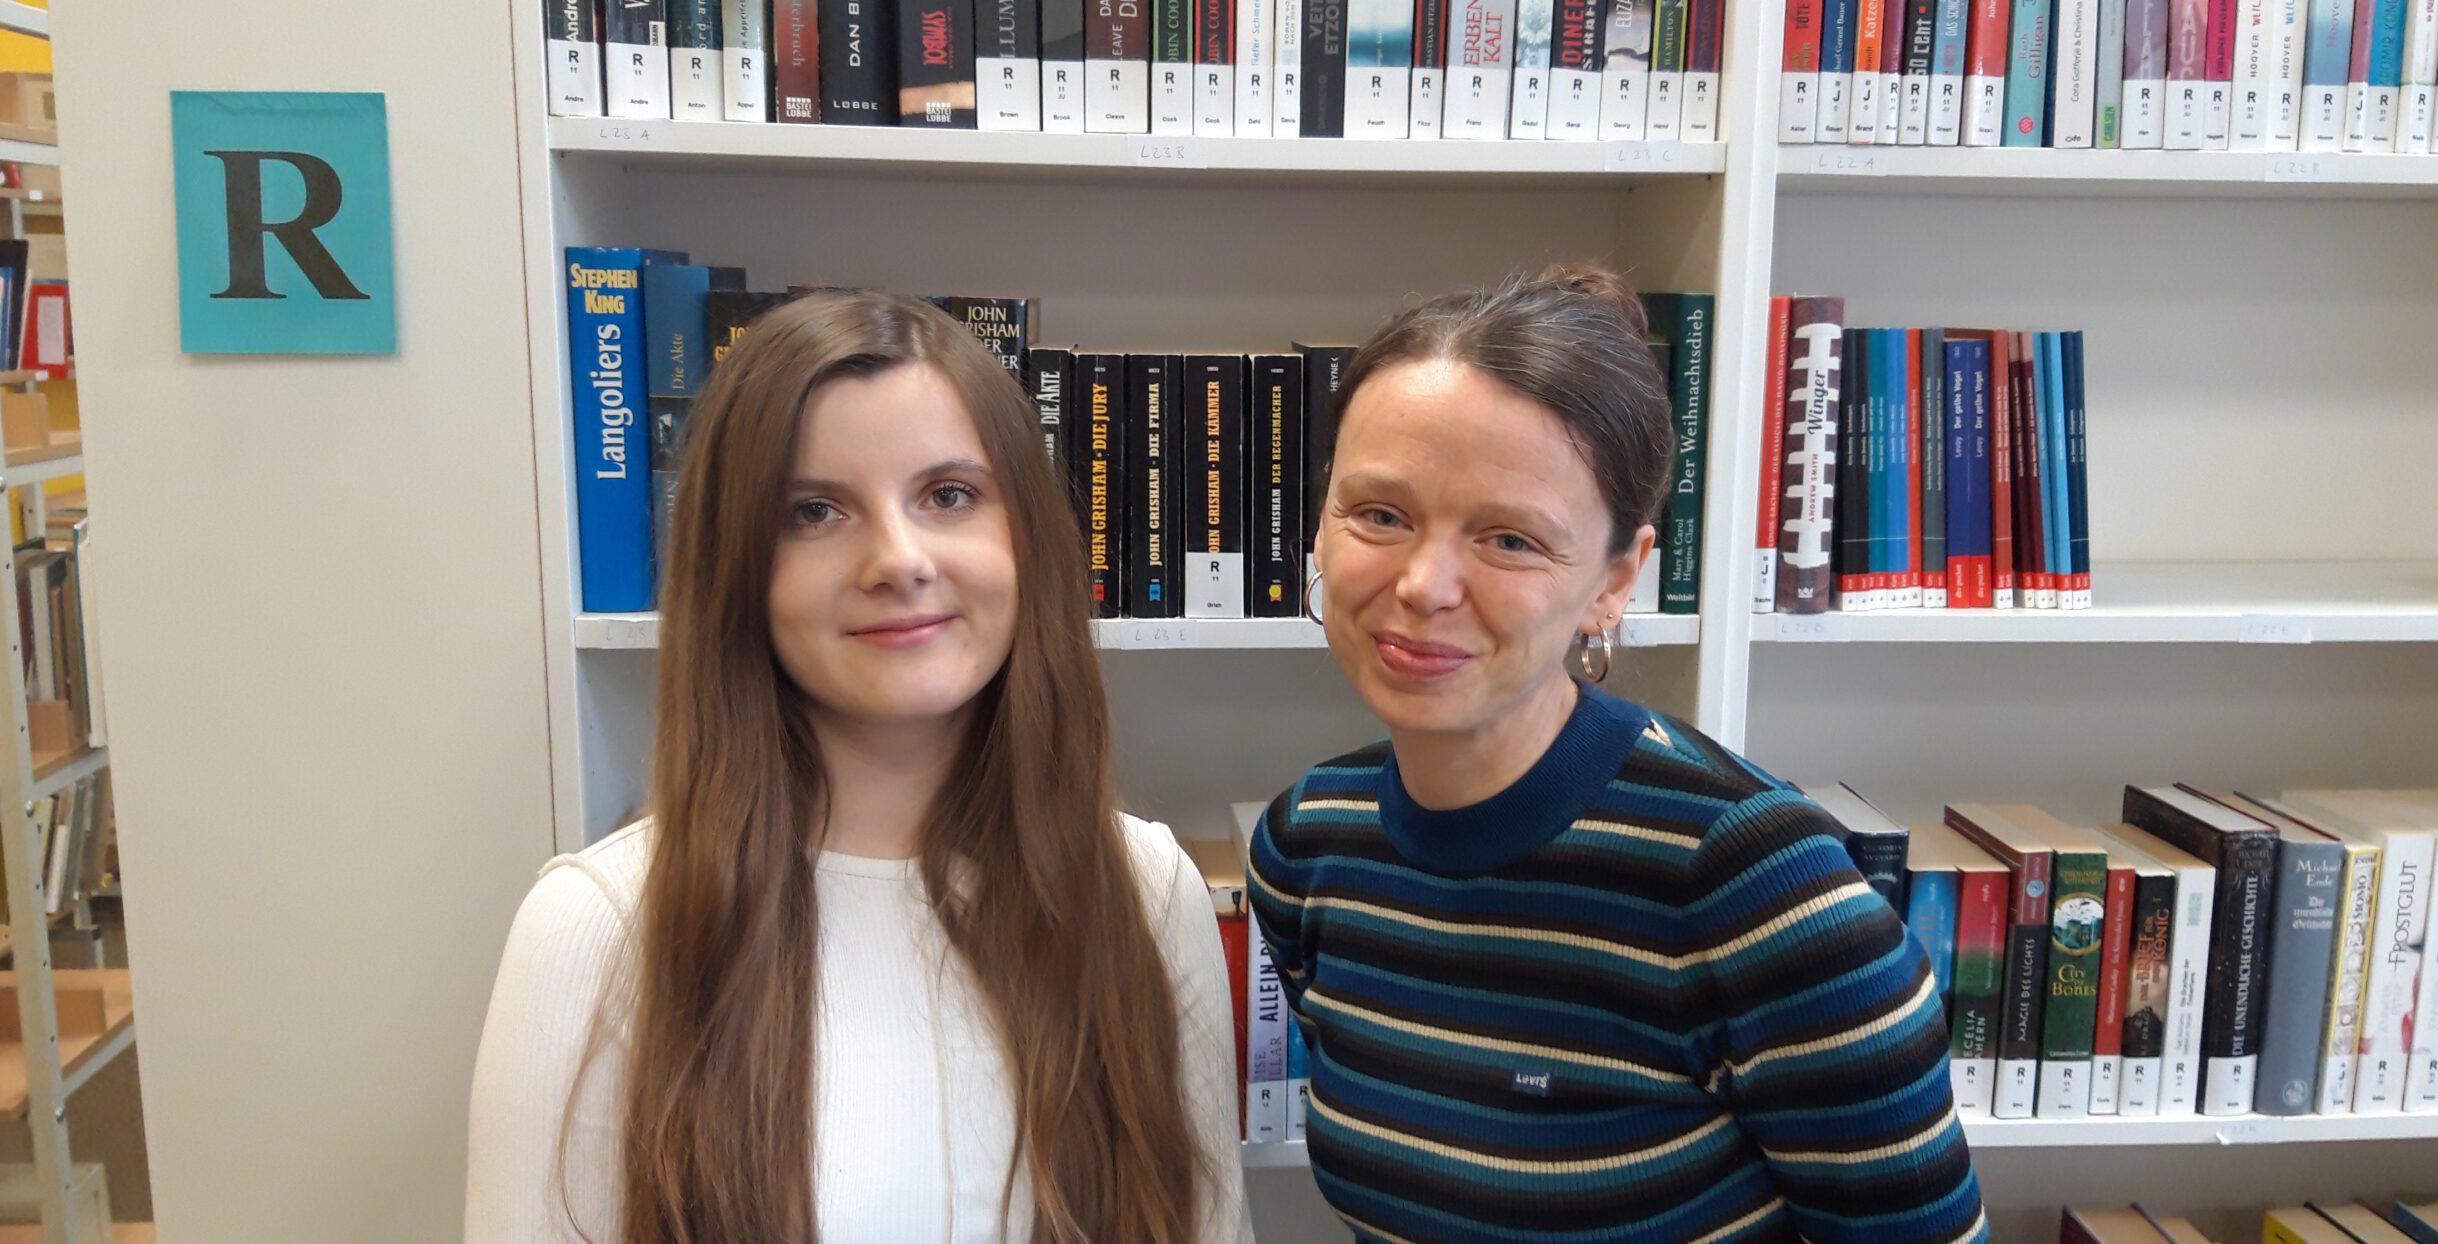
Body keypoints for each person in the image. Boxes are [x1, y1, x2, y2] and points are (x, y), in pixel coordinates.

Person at [465, 291, 1251, 1243]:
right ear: (736, 572)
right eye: (814, 512)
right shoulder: (596, 927)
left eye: (948, 495)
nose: (898, 559)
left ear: (1027, 539)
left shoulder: (1147, 890)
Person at [1248, 268, 1988, 1243]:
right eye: (1380, 514)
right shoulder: (1307, 845)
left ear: (1614, 581)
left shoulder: (1761, 891)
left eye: (1509, 538)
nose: (1424, 584)